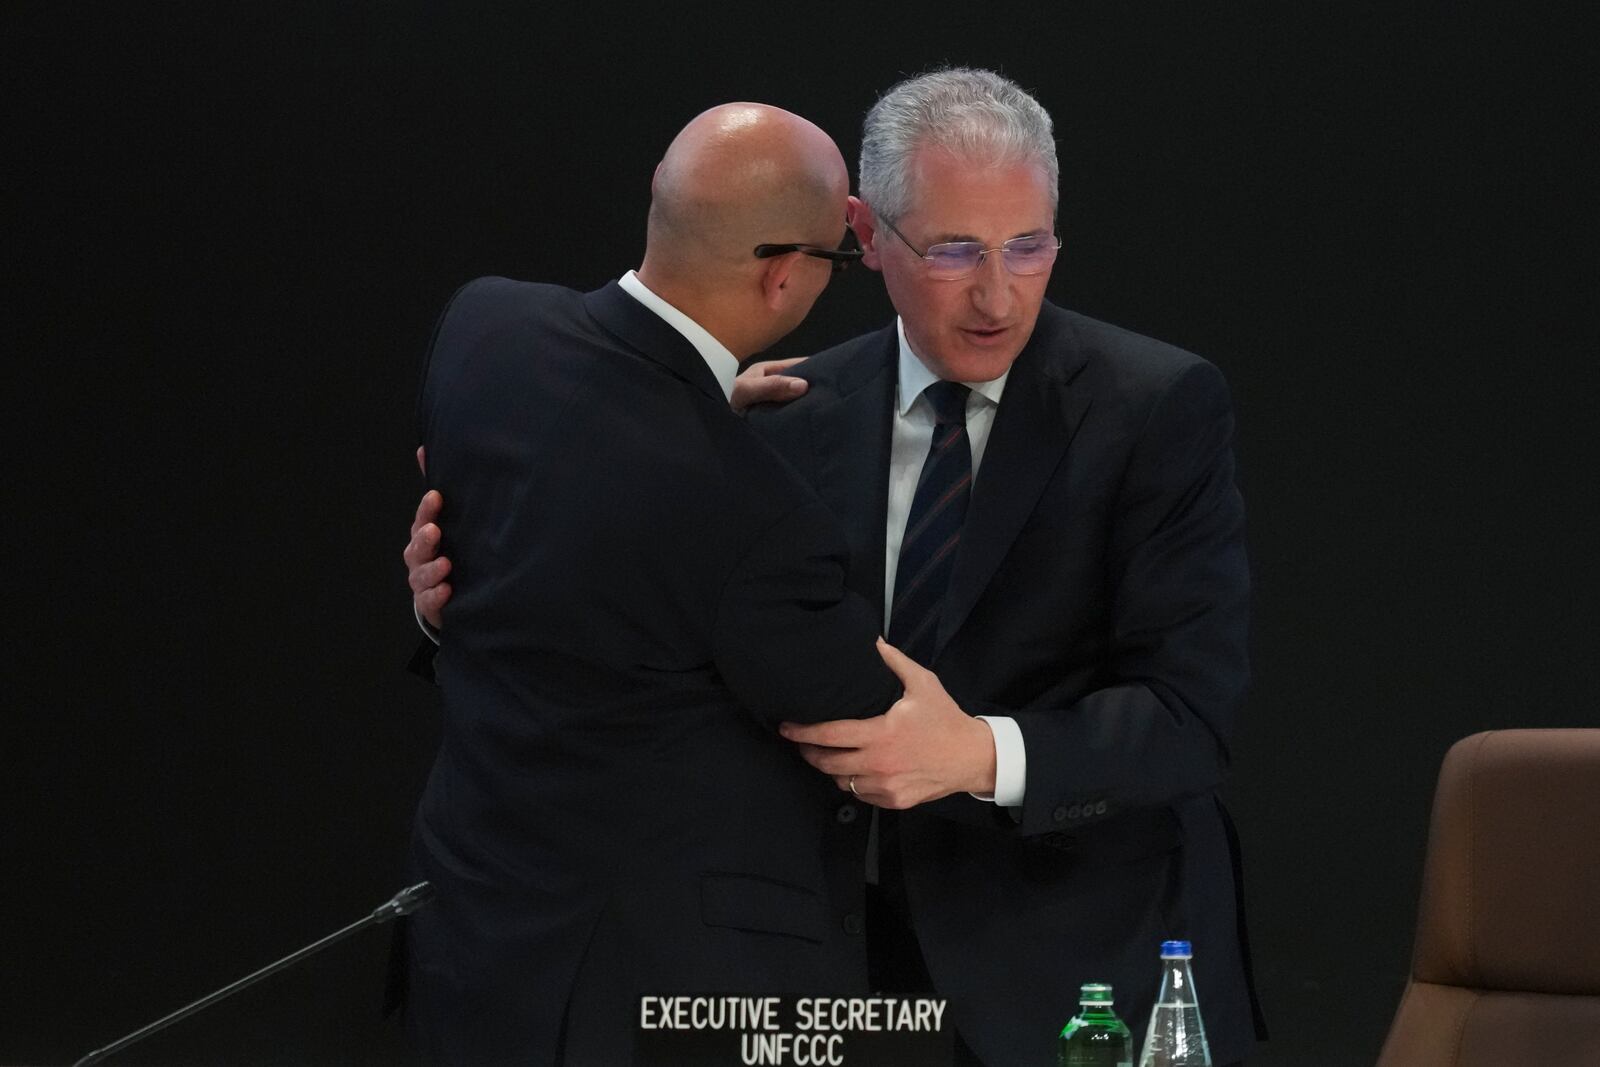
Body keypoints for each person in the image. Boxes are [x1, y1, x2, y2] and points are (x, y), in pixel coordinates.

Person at [408, 70, 1264, 1065]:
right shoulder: (781, 413)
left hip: (1078, 963)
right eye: (953, 250)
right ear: (866, 235)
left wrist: (979, 753)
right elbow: (660, 621)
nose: (997, 294)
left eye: (1027, 246)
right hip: (835, 977)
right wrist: (455, 600)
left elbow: (1191, 718)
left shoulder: (1159, 408)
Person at [395, 101, 939, 1065]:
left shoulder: (484, 326)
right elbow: (861, 716)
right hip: (643, 999)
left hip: (472, 944)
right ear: (783, 275)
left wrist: (700, 401)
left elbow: (576, 469)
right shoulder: (752, 513)